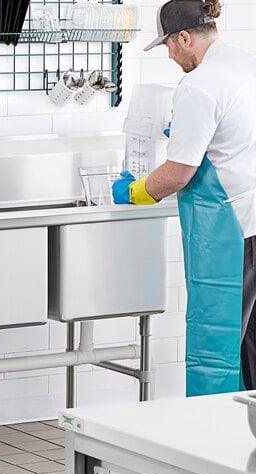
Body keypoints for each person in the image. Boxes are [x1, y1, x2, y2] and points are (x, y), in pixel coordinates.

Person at [112, 0, 256, 396]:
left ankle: (207, 441)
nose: (171, 56)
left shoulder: (199, 84)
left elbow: (178, 173)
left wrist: (135, 192)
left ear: (185, 37)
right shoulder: (244, 64)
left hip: (230, 233)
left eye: (169, 47)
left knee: (217, 340)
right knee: (251, 343)